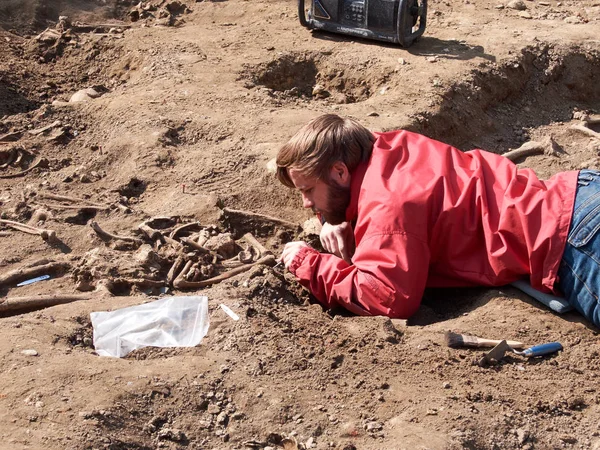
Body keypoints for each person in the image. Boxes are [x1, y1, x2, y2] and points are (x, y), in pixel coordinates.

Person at [276, 113, 600, 328]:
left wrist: (310, 264)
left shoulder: (387, 205)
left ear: (340, 172)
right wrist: (337, 216)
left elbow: (388, 297)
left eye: (307, 191)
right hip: (582, 192)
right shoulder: (388, 147)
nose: (307, 205)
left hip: (571, 240)